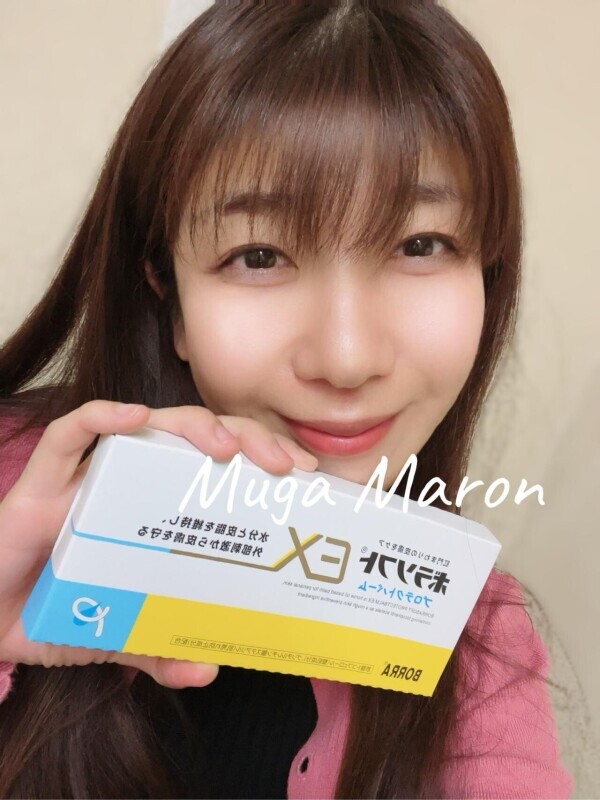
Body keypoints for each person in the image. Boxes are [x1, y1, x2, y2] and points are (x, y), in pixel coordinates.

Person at [0, 1, 573, 797]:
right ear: (170, 297)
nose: (346, 358)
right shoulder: (14, 506)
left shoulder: (477, 651)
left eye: (420, 244)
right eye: (259, 255)